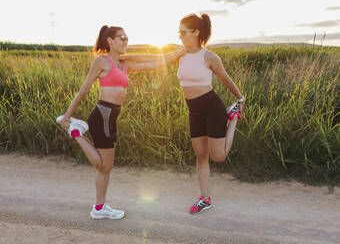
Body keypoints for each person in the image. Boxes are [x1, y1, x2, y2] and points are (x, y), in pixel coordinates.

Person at [56, 25, 185, 220]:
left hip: (111, 117)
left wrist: (179, 52)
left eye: (127, 38)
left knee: (106, 166)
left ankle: (99, 208)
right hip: (102, 115)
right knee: (104, 166)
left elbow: (154, 63)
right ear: (110, 41)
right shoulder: (101, 61)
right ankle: (75, 132)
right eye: (121, 37)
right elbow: (83, 89)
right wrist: (67, 114)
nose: (125, 41)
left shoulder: (124, 65)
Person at [123, 13, 245, 214]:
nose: (180, 36)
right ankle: (205, 199)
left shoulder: (209, 57)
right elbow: (153, 59)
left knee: (219, 156)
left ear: (196, 32)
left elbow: (225, 78)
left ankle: (232, 117)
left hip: (213, 108)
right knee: (201, 156)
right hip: (194, 111)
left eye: (183, 33)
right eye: (178, 33)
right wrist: (126, 61)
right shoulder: (180, 54)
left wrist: (240, 99)